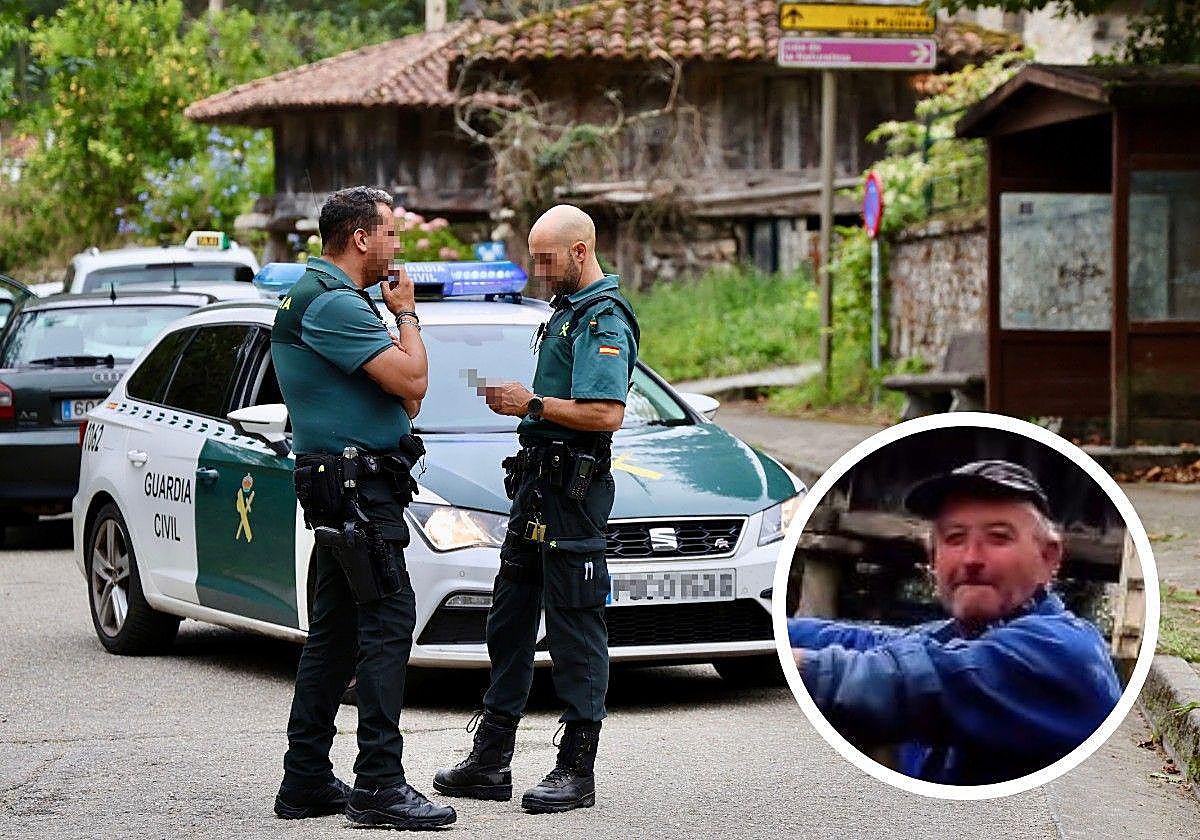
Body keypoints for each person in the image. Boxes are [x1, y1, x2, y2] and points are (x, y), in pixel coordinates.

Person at [433, 204, 640, 813]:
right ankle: (491, 759)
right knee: (509, 619)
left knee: (575, 628)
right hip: (536, 492)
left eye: (546, 259)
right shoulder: (564, 314)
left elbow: (604, 414)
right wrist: (528, 406)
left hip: (572, 498)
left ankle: (576, 769)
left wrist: (532, 404)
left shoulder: (604, 319)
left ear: (580, 252)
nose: (537, 270)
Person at [269, 186, 455, 828]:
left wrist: (402, 370)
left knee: (337, 632)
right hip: (356, 491)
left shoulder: (324, 295)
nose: (397, 246)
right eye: (391, 234)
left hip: (344, 483)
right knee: (386, 622)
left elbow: (406, 400)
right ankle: (378, 782)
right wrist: (406, 314)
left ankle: (306, 781)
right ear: (360, 239)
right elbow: (413, 382)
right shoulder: (333, 303)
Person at [789, 459, 1122, 786]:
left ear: (1049, 557)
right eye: (954, 538)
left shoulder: (1064, 651)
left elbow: (907, 682)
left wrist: (791, 665)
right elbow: (866, 641)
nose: (972, 558)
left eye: (998, 537)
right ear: (932, 557)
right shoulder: (957, 637)